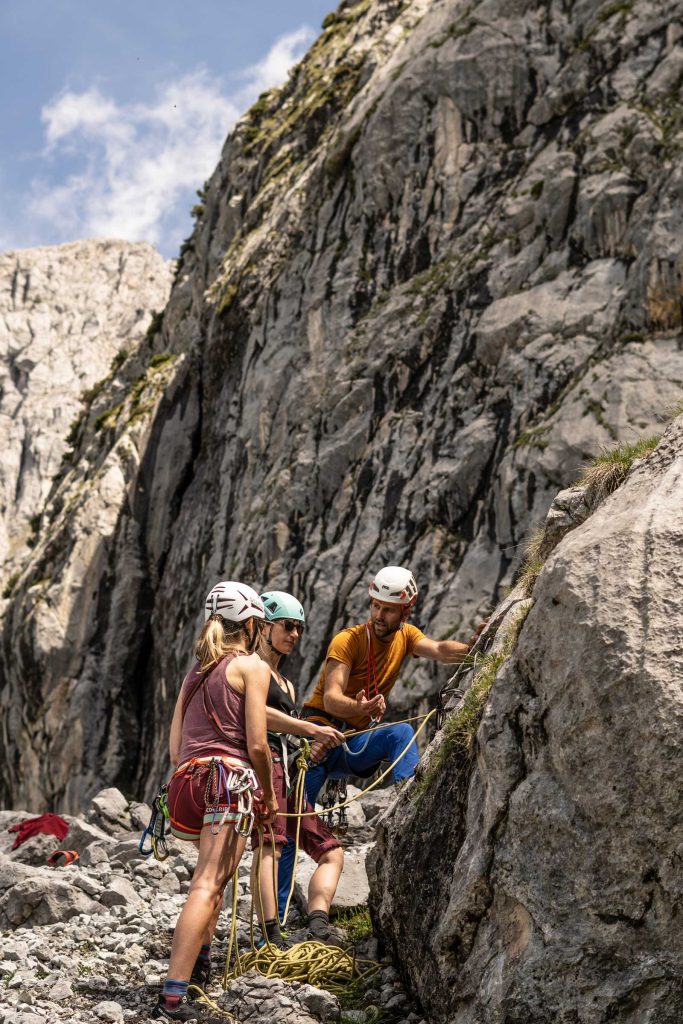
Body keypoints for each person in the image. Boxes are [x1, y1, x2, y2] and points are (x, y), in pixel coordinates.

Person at [278, 565, 478, 900]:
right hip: (317, 737)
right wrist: (359, 709)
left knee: (400, 732)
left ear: (406, 610)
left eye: (387, 609)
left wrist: (473, 650)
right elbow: (331, 697)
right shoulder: (349, 640)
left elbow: (441, 650)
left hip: (351, 743)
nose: (379, 615)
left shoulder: (406, 636)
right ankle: (277, 915)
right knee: (293, 818)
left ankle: (408, 801)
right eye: (375, 606)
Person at [151, 581, 278, 1023]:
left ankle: (200, 969)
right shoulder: (251, 667)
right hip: (228, 781)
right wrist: (267, 797)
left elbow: (173, 749)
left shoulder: (194, 673)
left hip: (185, 784)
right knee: (208, 883)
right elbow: (258, 746)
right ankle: (174, 996)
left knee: (215, 881)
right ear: (253, 624)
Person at [252, 591, 345, 945]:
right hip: (267, 767)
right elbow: (255, 713)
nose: (294, 634)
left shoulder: (287, 683)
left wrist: (310, 743)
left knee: (331, 851)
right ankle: (269, 935)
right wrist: (309, 728)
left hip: (291, 773)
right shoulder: (252, 668)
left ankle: (318, 923)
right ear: (264, 626)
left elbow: (283, 725)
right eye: (288, 626)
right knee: (271, 846)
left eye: (300, 629)